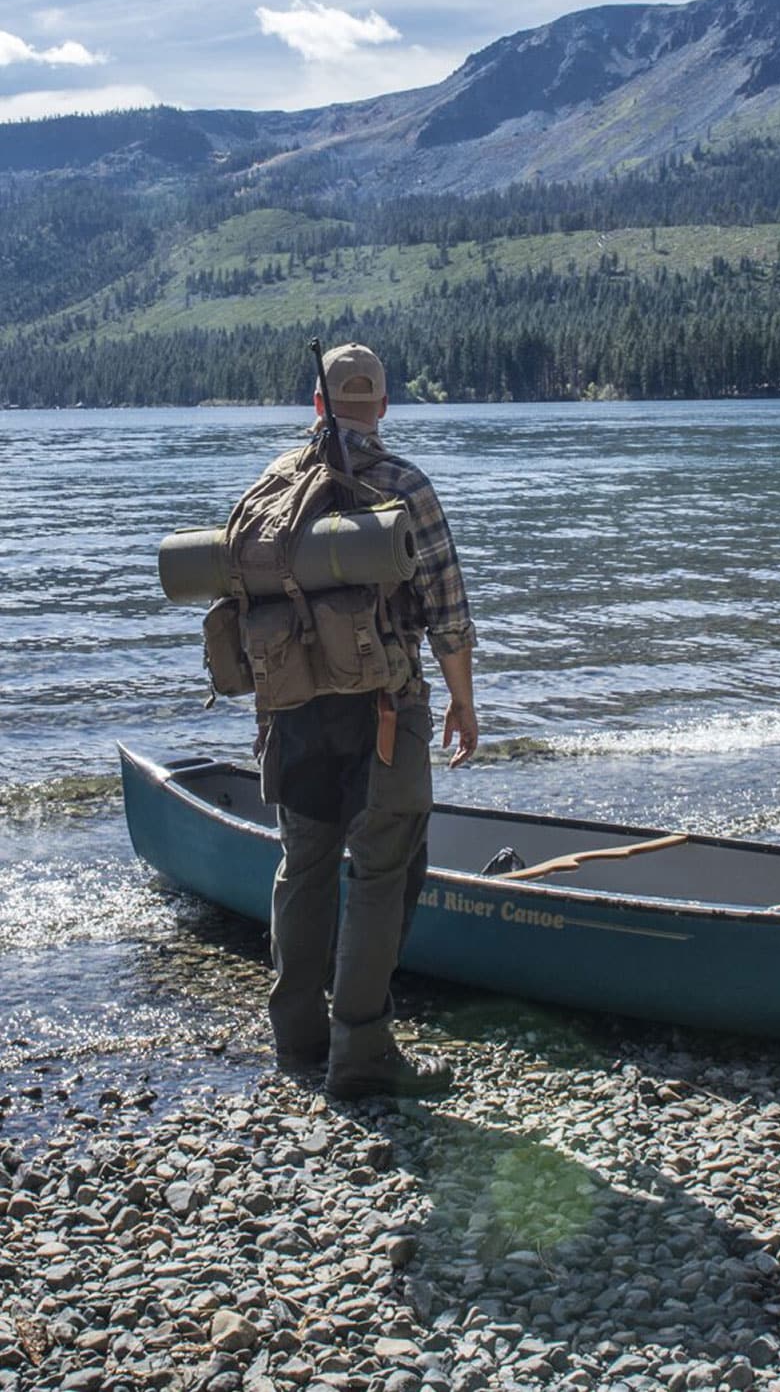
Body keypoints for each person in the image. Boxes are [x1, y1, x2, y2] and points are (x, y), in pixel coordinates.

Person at [257, 342, 479, 1097]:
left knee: (305, 867)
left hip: (292, 712)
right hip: (385, 710)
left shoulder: (276, 483)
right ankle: (362, 1055)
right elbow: (447, 612)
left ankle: (295, 1039)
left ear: (317, 407)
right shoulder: (404, 484)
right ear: (382, 406)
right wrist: (464, 703)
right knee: (383, 874)